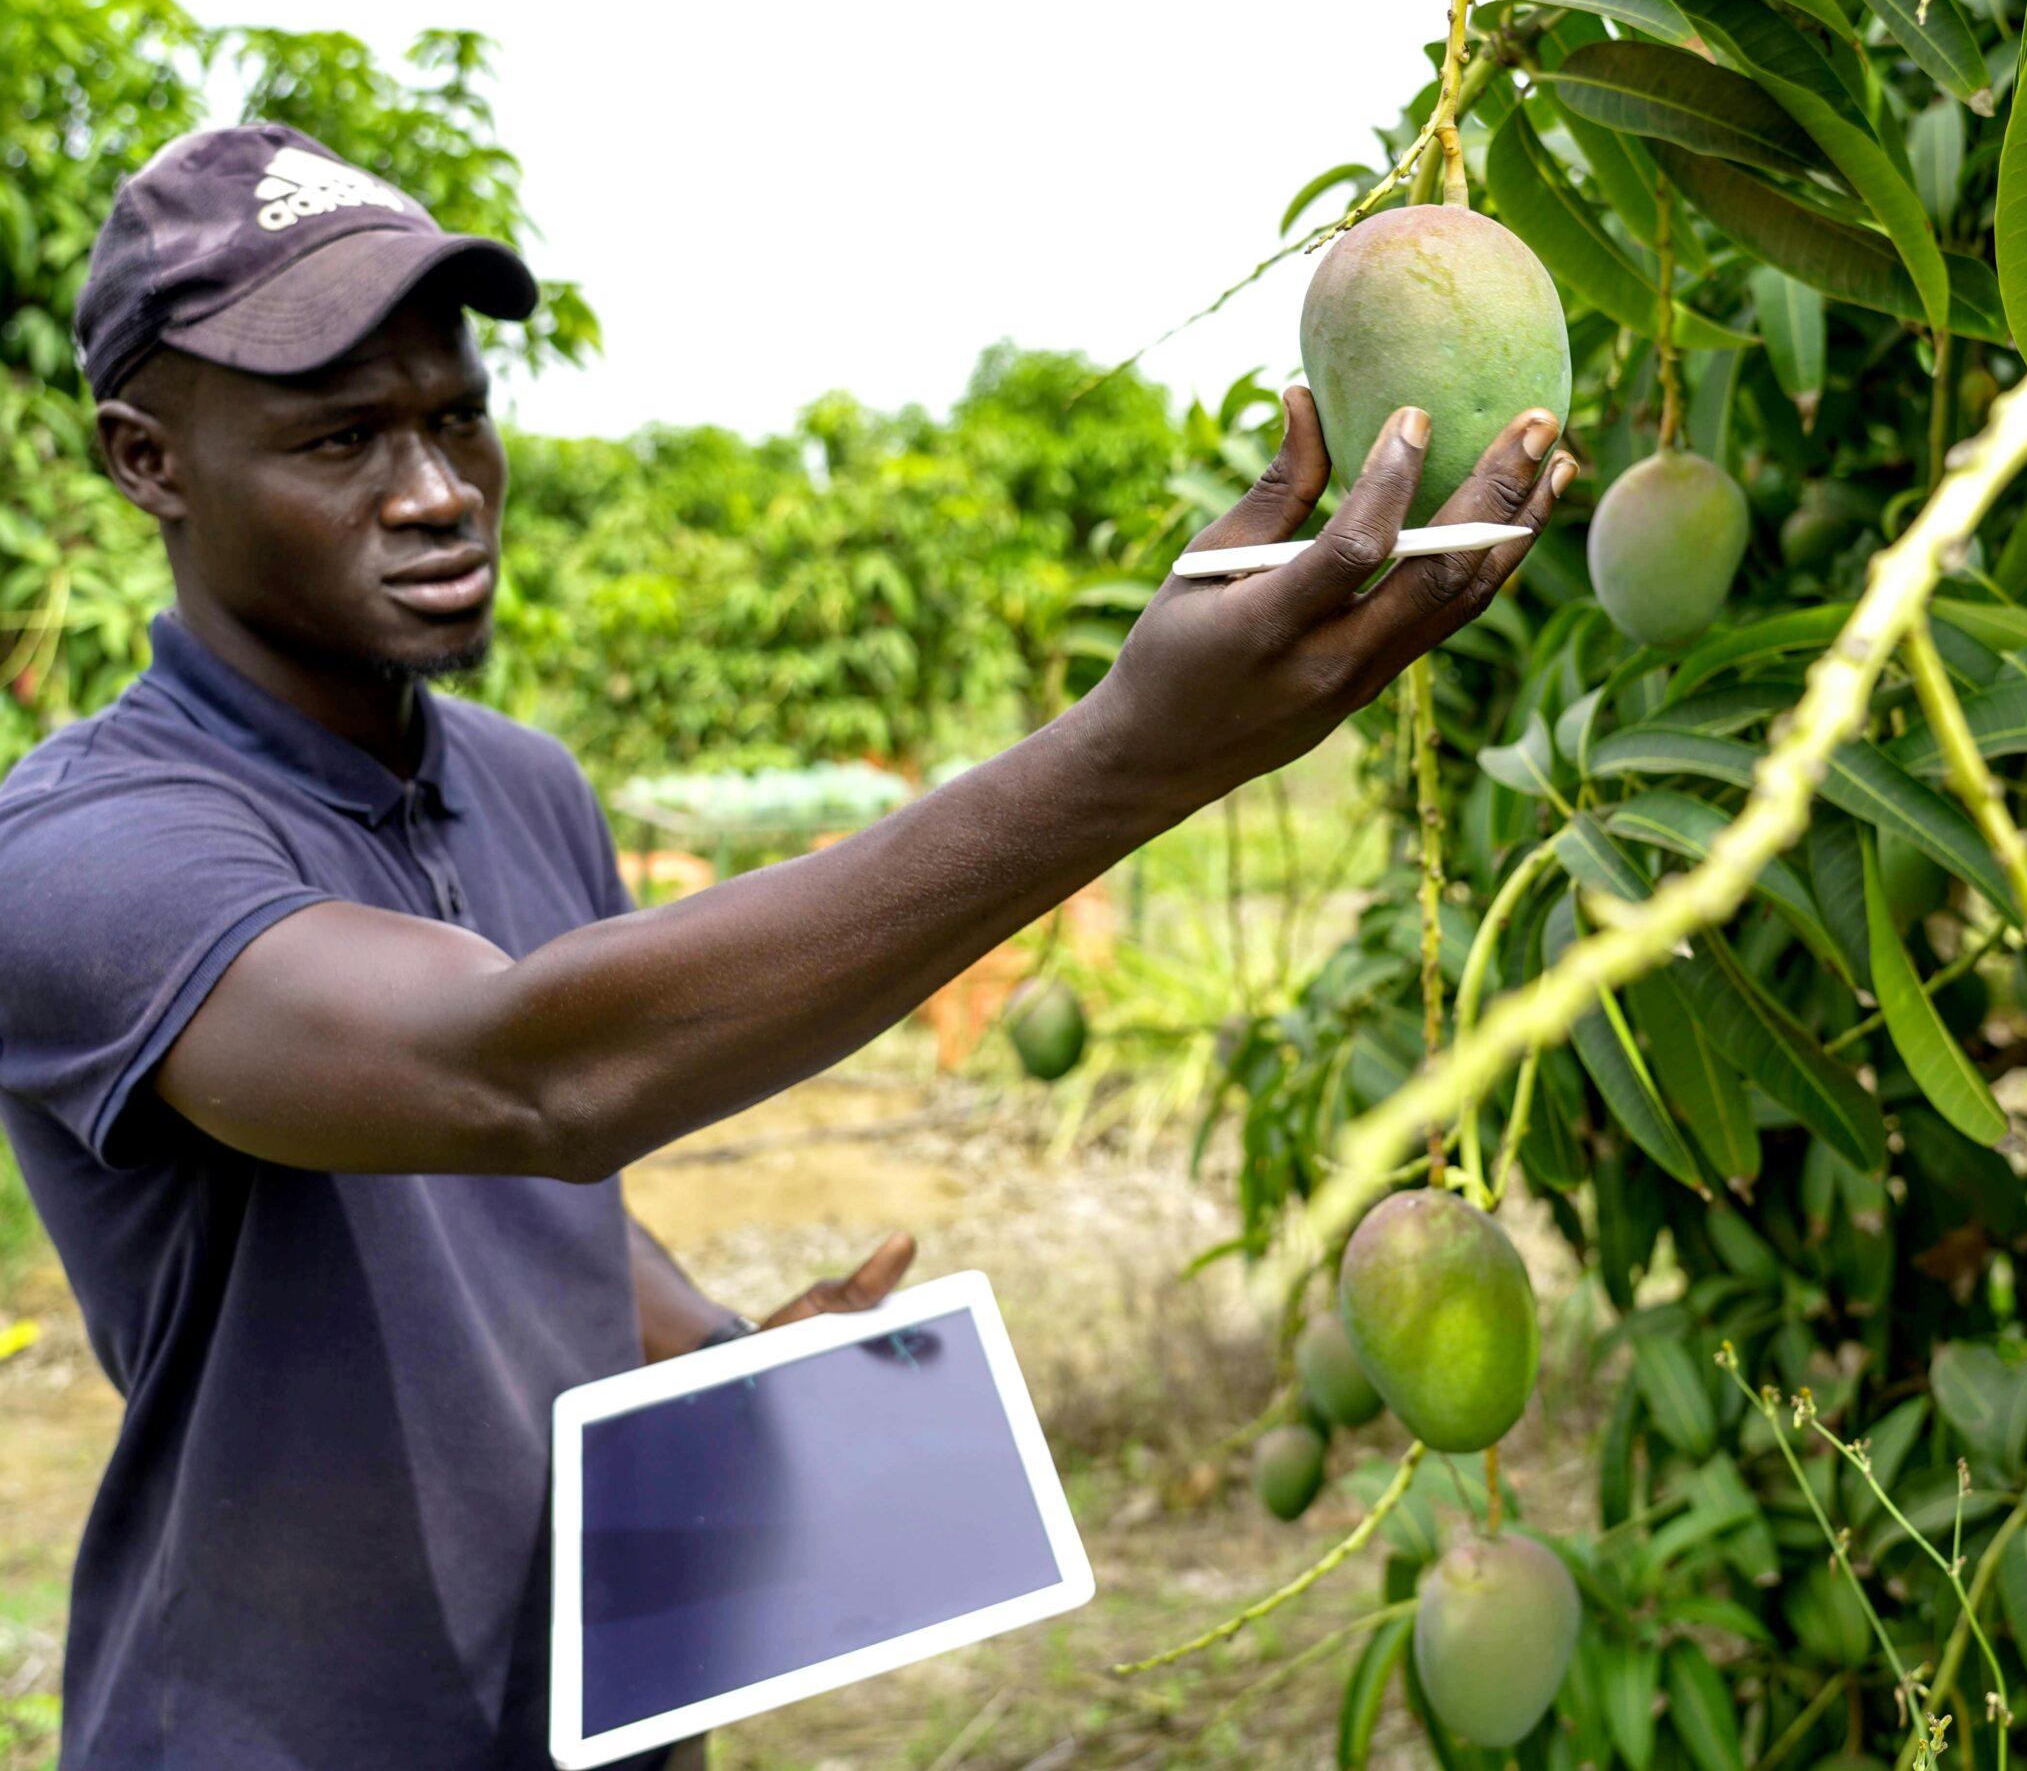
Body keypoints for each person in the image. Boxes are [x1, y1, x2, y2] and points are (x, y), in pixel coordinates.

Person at [0, 124, 1571, 1770]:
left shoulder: (519, 788)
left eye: (458, 413)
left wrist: (730, 1362)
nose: (438, 489)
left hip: (597, 1718)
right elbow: (525, 1080)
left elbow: (521, 1216)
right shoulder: (84, 851)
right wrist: (1135, 752)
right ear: (147, 459)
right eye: (342, 440)